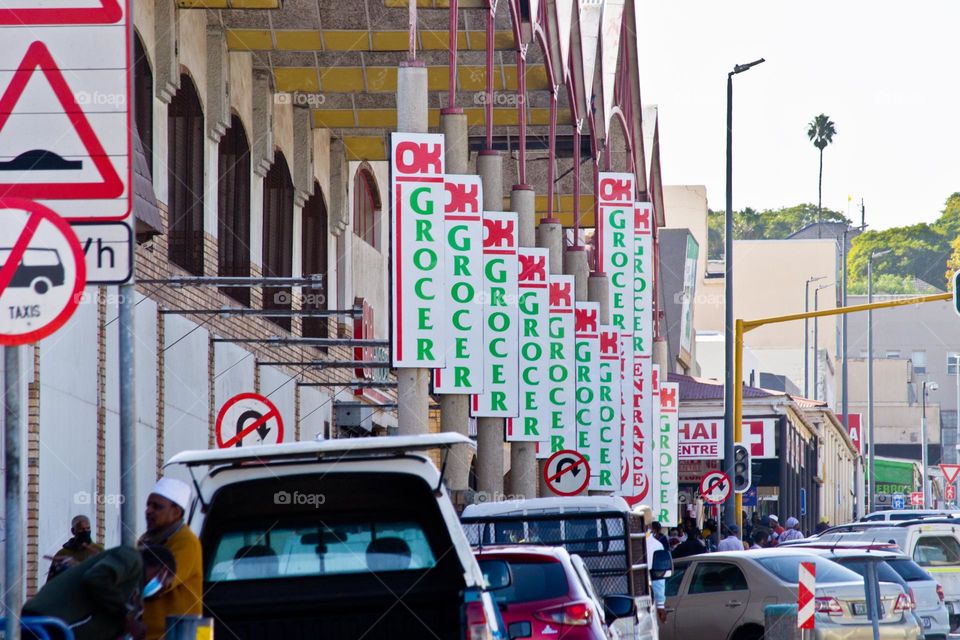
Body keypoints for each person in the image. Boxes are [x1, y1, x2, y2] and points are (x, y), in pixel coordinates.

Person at [23, 544, 175, 640]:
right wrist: (127, 618)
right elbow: (96, 578)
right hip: (46, 625)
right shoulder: (132, 557)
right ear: (162, 571)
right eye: (164, 584)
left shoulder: (132, 594)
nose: (160, 591)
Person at [139, 477, 203, 640]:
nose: (148, 511)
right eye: (148, 505)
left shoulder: (185, 541)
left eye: (157, 507)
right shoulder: (146, 541)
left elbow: (157, 585)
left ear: (176, 512)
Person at [45, 515, 104, 583]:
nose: (85, 531)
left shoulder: (98, 551)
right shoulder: (62, 553)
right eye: (81, 529)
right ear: (73, 531)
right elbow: (51, 582)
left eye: (88, 528)